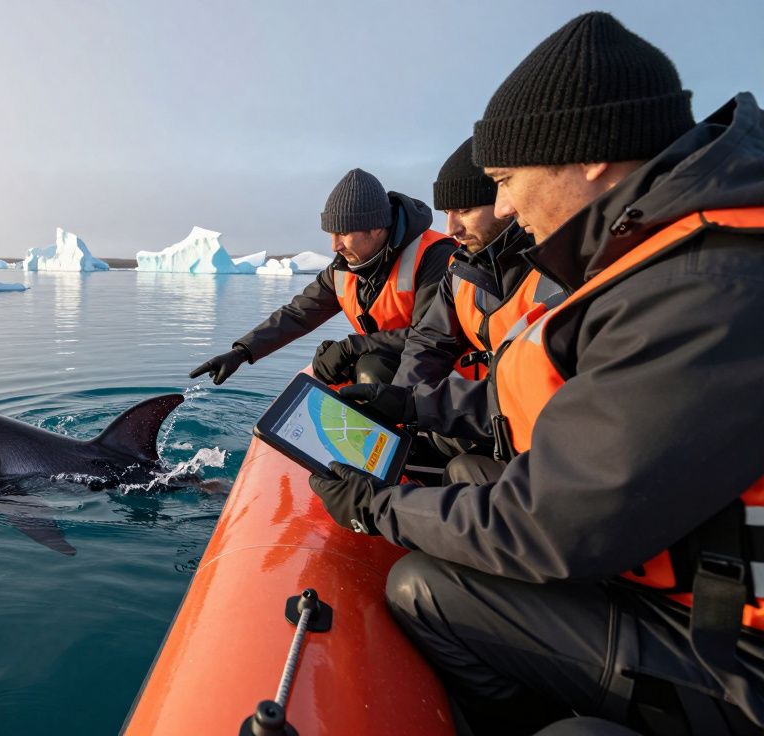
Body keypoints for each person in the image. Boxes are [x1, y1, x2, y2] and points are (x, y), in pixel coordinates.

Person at [307, 12, 764, 735]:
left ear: (590, 157)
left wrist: (378, 508)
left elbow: (552, 524)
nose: (506, 208)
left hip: (733, 652)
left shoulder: (708, 285)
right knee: (463, 481)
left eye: (506, 181)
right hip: (676, 578)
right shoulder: (660, 255)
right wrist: (409, 405)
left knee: (424, 588)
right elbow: (532, 392)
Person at [190, 168, 456, 387]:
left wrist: (351, 347)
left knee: (370, 369)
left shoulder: (434, 257)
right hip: (387, 361)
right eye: (331, 234)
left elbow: (432, 337)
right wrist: (241, 352)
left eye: (343, 233)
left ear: (376, 228)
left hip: (445, 379)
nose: (334, 246)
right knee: (319, 374)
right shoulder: (344, 268)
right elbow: (298, 314)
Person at [393, 136, 561, 389]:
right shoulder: (460, 268)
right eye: (446, 213)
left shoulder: (558, 264)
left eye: (464, 211)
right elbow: (430, 341)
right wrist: (400, 399)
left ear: (504, 201)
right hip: (484, 400)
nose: (451, 229)